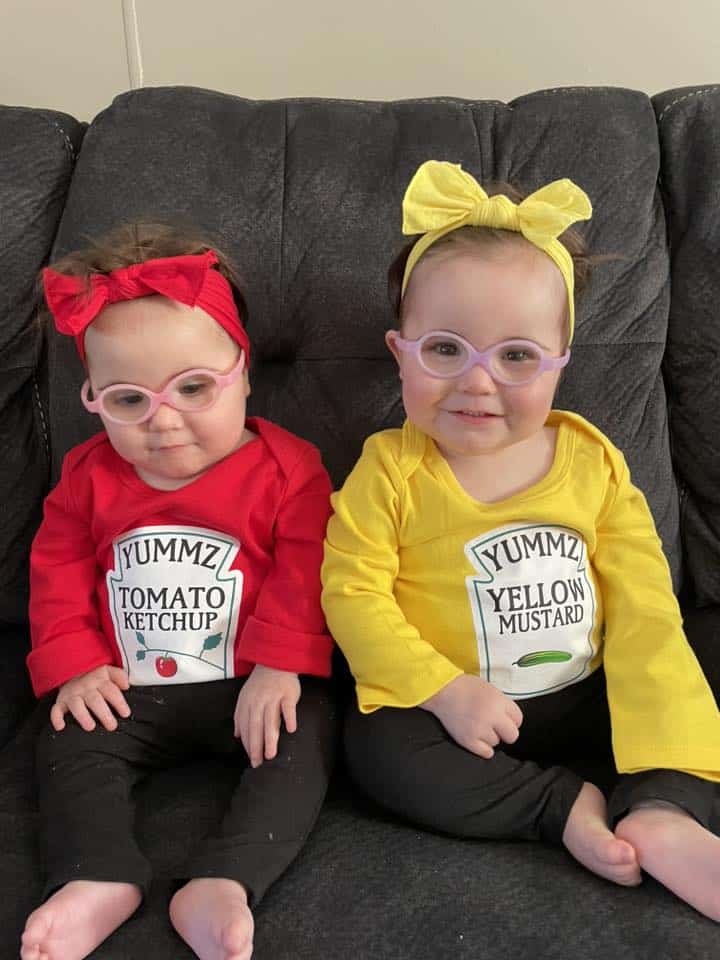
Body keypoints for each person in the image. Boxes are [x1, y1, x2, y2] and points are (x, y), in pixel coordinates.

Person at [322, 161, 720, 921]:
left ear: (560, 365)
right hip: (451, 711)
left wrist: (659, 705)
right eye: (445, 350)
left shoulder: (591, 459)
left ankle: (662, 811)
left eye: (516, 357)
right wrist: (443, 691)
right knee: (374, 747)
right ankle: (555, 806)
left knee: (682, 678)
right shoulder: (389, 471)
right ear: (400, 350)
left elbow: (643, 601)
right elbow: (353, 595)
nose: (478, 383)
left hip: (585, 689)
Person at [21, 224, 336, 960]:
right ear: (93, 398)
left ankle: (226, 878)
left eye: (194, 388)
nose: (164, 421)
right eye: (129, 399)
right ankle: (99, 873)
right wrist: (74, 661)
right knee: (67, 742)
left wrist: (280, 664)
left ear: (244, 373)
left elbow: (306, 570)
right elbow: (57, 568)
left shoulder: (291, 470)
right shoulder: (86, 478)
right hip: (127, 687)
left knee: (311, 738)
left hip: (252, 686)